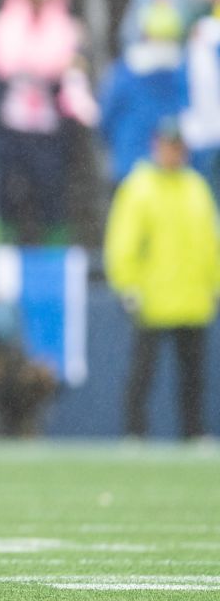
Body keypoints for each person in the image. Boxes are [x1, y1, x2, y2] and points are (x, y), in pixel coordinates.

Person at [105, 119, 220, 440]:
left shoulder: (195, 186)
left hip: (193, 297)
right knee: (143, 372)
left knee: (194, 376)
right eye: (169, 146)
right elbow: (123, 241)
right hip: (152, 296)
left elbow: (211, 240)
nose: (173, 153)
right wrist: (127, 283)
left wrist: (215, 283)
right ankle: (134, 432)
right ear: (157, 146)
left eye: (178, 147)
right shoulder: (140, 187)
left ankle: (194, 432)